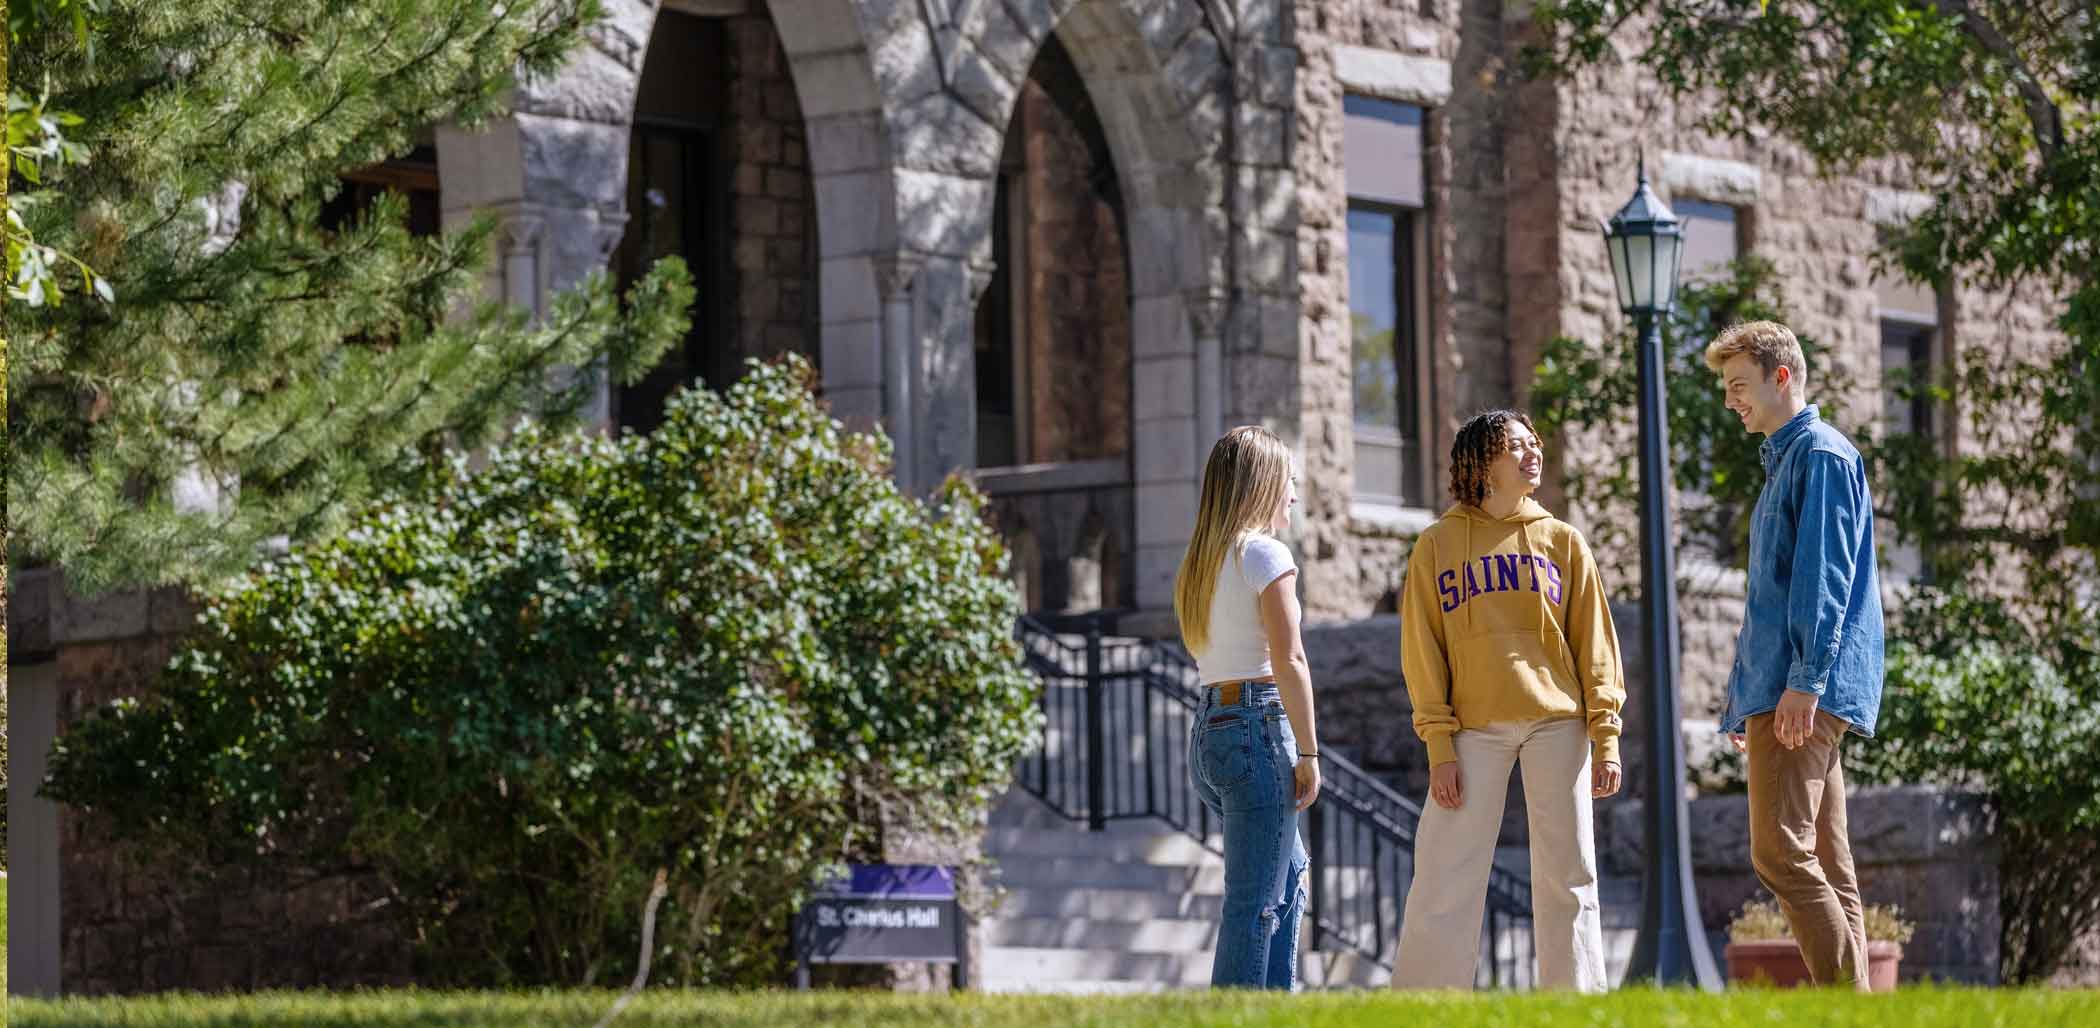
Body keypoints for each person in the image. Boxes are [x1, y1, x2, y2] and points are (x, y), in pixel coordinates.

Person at [1391, 409, 1624, 992]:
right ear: (1481, 463)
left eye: (1534, 444)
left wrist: (1607, 737)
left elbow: (1595, 644)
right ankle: (1424, 1005)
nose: (1532, 454)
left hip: (1557, 722)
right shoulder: (1437, 545)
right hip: (1471, 728)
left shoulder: (1563, 540)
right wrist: (1439, 744)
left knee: (1569, 874)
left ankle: (1576, 1005)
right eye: (1515, 446)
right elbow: (1423, 651)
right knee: (1446, 868)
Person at [1709, 320, 1884, 990]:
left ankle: (1845, 1005)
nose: (1731, 402)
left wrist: (1804, 681)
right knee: (1828, 865)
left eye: (1739, 386)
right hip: (1784, 685)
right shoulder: (1791, 458)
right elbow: (1774, 595)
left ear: (1783, 377)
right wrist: (1741, 700)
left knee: (1780, 854)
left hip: (1802, 689)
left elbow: (1822, 576)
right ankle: (1859, 1008)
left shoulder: (1819, 455)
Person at [1174, 425, 1322, 989]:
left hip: (1213, 731)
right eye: (1288, 479)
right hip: (1259, 727)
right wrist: (1308, 751)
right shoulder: (1265, 554)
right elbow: (1291, 661)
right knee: (1255, 901)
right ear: (1262, 482)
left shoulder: (1203, 561)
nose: (1294, 492)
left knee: (1290, 876)